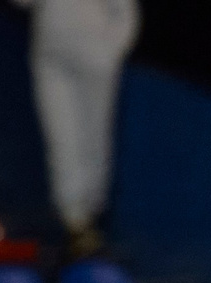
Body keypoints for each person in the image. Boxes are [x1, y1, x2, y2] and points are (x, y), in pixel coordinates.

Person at [17, 0, 139, 256]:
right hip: (50, 56)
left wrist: (112, 51)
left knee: (95, 139)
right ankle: (74, 221)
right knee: (60, 139)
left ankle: (91, 214)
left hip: (96, 56)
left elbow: (126, 12)